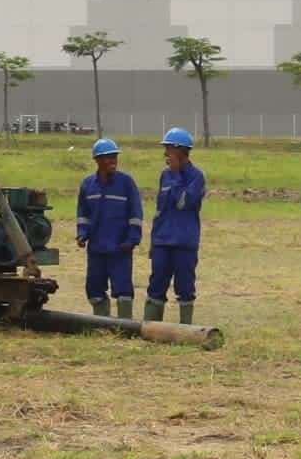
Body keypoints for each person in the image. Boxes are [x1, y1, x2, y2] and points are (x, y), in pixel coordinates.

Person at [72, 136, 143, 318]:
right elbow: (83, 214)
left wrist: (132, 239)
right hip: (96, 248)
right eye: (107, 157)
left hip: (120, 247)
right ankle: (101, 323)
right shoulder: (88, 185)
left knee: (123, 288)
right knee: (94, 287)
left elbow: (135, 214)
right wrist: (82, 234)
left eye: (114, 157)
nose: (112, 161)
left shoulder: (126, 183)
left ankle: (124, 326)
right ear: (97, 160)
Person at [147, 127, 206, 322]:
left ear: (181, 151)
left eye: (169, 149)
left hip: (184, 241)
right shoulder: (164, 175)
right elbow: (159, 210)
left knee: (185, 286)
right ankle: (152, 327)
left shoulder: (196, 177)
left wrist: (177, 175)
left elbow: (183, 203)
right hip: (163, 240)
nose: (165, 153)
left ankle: (186, 329)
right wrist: (153, 240)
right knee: (156, 284)